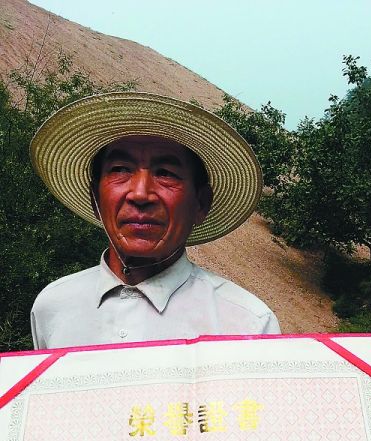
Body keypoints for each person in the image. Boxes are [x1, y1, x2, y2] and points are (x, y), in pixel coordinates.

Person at [30, 92, 280, 349]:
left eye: (166, 173)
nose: (140, 194)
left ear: (201, 203)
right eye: (120, 170)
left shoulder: (247, 325)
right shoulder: (53, 306)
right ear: (95, 199)